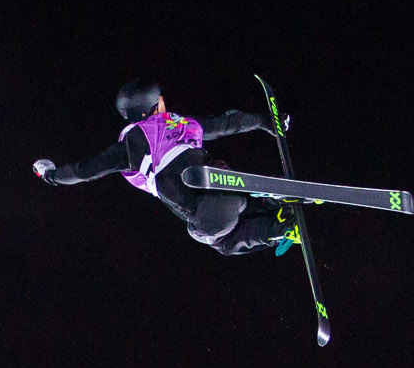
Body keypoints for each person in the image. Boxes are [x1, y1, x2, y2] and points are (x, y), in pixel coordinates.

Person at [33, 80, 296, 256]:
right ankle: (275, 203)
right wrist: (266, 121)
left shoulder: (127, 146)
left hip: (208, 211)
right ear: (154, 106)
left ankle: (277, 227)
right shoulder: (183, 123)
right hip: (223, 181)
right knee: (240, 204)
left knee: (216, 239)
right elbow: (230, 123)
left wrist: (52, 175)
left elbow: (86, 170)